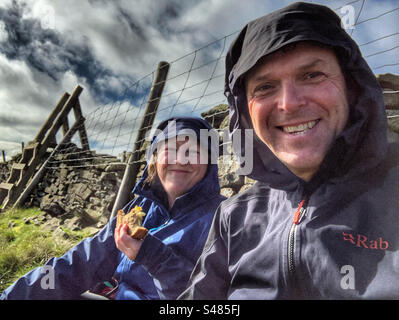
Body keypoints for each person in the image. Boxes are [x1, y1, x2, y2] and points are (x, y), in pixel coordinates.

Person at [179, 2, 399, 299]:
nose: (288, 103)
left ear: (351, 87)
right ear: (245, 113)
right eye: (265, 87)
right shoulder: (234, 215)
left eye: (312, 75)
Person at [1, 116, 225, 300]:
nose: (181, 160)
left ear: (210, 163)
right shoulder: (141, 207)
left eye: (194, 151)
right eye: (171, 149)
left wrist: (154, 257)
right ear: (155, 159)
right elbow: (82, 261)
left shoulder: (225, 217)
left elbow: (215, 298)